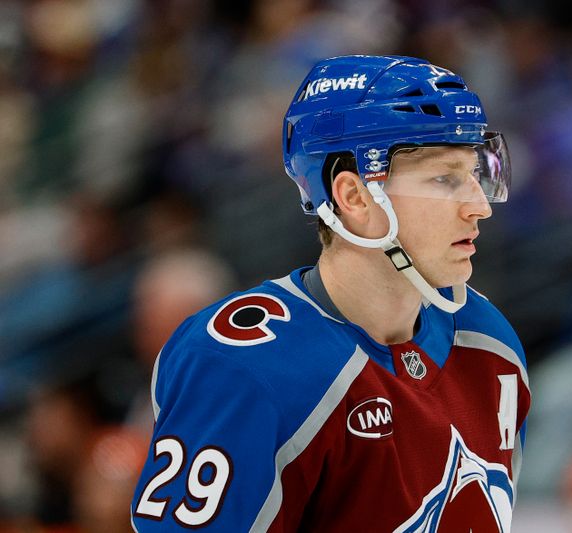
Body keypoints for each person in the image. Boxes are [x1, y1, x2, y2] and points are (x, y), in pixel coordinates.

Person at [130, 55, 530, 532]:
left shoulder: (488, 344)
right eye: (445, 179)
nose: (480, 205)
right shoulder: (242, 366)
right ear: (354, 196)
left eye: (476, 174)